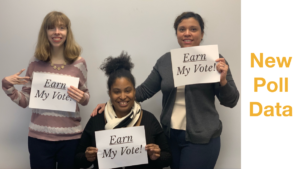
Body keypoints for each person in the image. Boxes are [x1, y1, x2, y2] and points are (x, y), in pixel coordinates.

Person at [91, 11, 239, 169]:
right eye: (182, 29)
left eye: (193, 29)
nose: (187, 33)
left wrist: (222, 80)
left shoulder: (215, 60)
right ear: (177, 33)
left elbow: (231, 101)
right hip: (171, 137)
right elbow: (144, 91)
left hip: (202, 138)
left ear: (202, 34)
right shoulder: (165, 61)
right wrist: (110, 104)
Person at [2, 11, 89, 169]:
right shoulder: (35, 62)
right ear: (45, 32)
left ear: (67, 32)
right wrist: (8, 87)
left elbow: (85, 96)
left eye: (61, 28)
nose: (57, 32)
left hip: (71, 139)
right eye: (51, 28)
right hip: (39, 139)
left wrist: (83, 98)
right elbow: (26, 101)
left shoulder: (79, 63)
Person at [75, 53, 171, 169]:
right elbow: (78, 159)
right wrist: (87, 157)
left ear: (134, 92)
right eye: (116, 91)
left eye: (128, 91)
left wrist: (157, 155)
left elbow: (168, 157)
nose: (123, 96)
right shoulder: (97, 119)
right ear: (109, 93)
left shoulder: (148, 119)